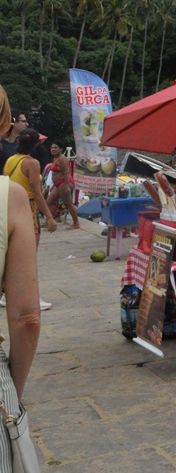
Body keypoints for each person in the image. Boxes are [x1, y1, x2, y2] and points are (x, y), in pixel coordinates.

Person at [0, 98, 42, 433]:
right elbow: (27, 318)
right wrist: (12, 392)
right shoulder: (10, 192)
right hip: (21, 212)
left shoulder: (11, 161)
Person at [3, 129, 57, 251]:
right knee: (30, 248)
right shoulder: (32, 163)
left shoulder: (10, 160)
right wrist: (49, 217)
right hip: (27, 206)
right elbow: (37, 194)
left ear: (18, 141)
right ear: (37, 143)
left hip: (9, 204)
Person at [45, 141, 79, 229]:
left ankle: (76, 223)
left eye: (55, 147)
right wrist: (53, 186)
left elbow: (66, 173)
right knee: (49, 202)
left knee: (68, 203)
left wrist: (67, 186)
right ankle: (49, 222)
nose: (53, 149)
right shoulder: (55, 158)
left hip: (64, 182)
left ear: (61, 149)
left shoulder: (62, 159)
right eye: (52, 147)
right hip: (58, 184)